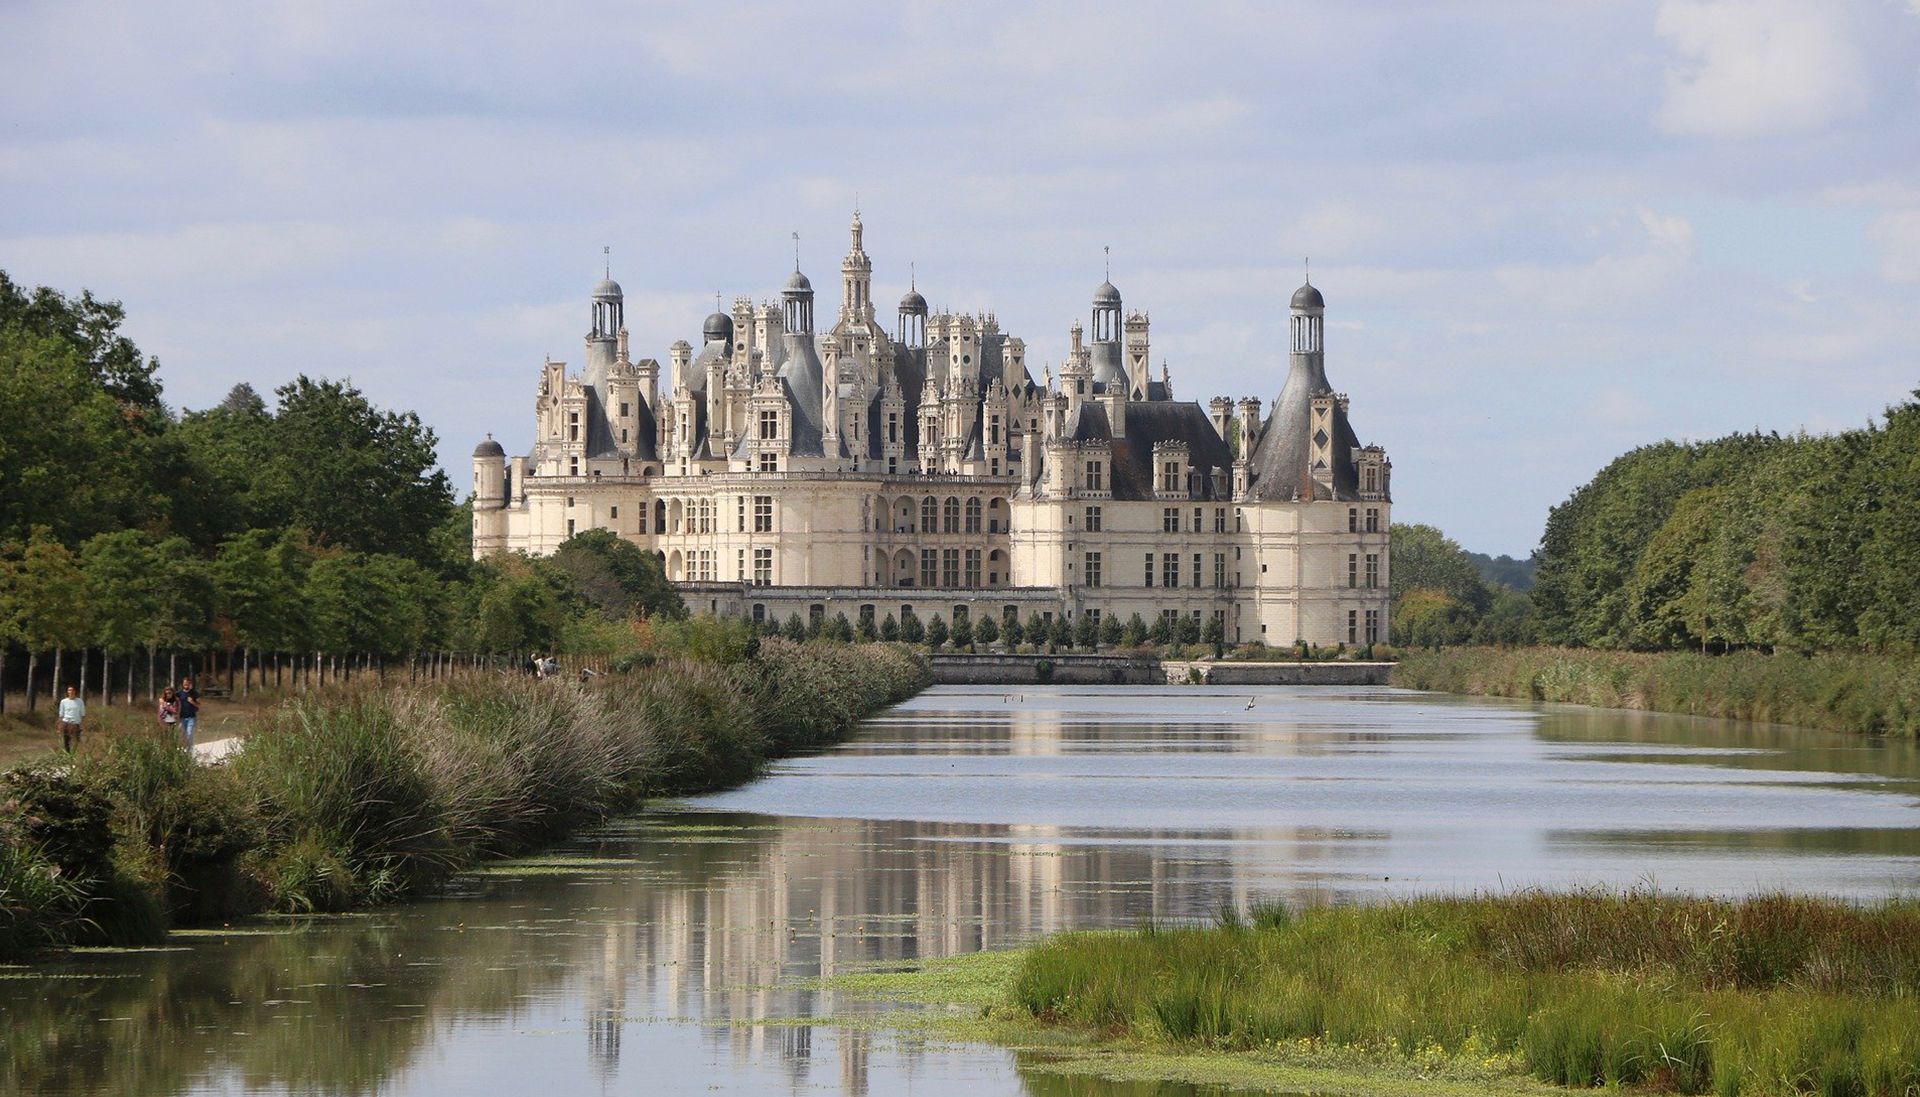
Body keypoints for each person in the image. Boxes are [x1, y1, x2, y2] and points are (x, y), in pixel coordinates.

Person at [177, 676, 202, 750]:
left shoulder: (194, 693)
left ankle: (190, 751)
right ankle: (185, 750)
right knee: (183, 735)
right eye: (185, 684)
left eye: (188, 684)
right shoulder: (179, 693)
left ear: (190, 684)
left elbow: (199, 704)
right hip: (182, 717)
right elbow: (169, 697)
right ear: (183, 684)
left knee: (189, 734)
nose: (186, 686)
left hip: (192, 717)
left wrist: (192, 702)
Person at [57, 686, 85, 752]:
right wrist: (59, 725)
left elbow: (82, 713)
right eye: (69, 690)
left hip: (75, 723)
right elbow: (61, 713)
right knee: (66, 740)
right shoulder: (64, 701)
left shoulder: (79, 701)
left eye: (72, 690)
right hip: (66, 722)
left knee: (76, 740)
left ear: (75, 692)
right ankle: (67, 754)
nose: (71, 692)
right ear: (67, 692)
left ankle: (76, 753)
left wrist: (82, 724)